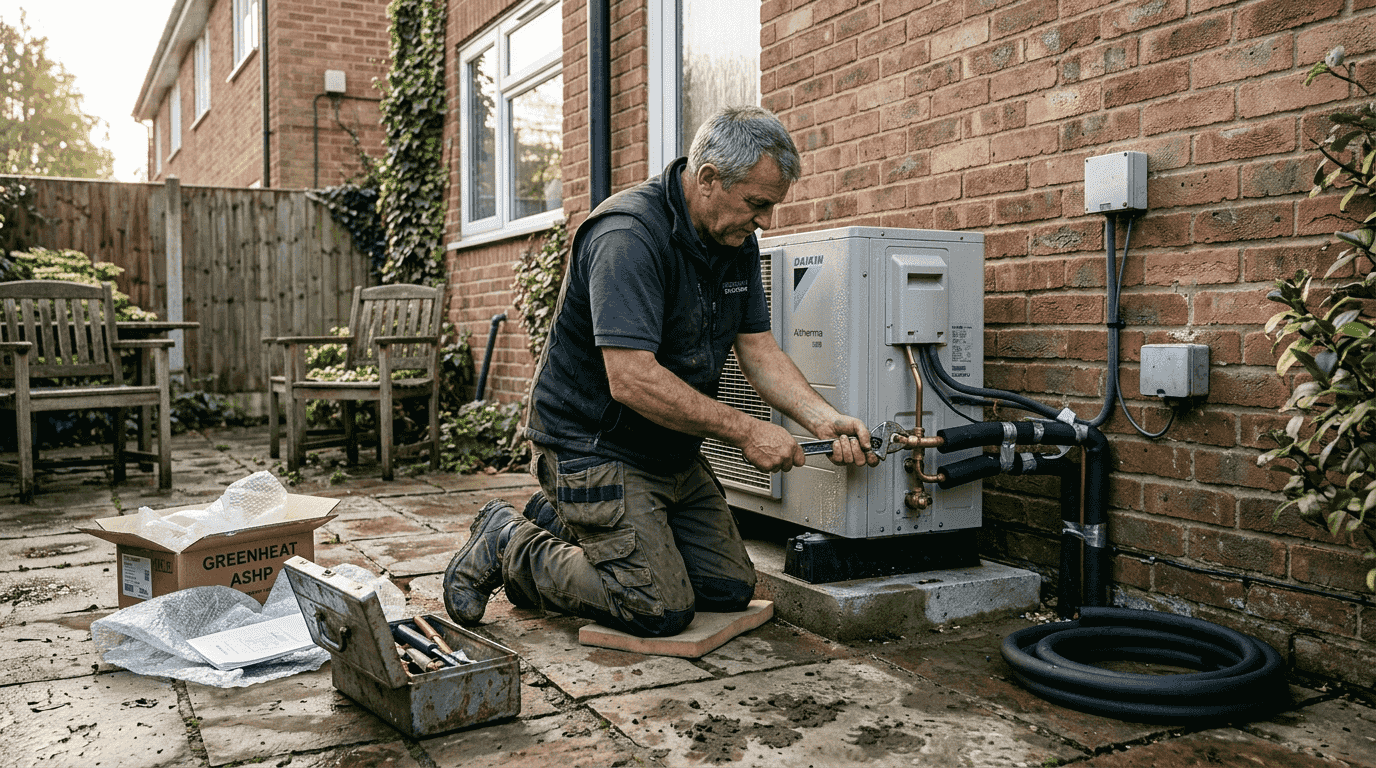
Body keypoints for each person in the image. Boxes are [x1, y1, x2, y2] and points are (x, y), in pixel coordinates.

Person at [443, 105, 879, 638]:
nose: (766, 221)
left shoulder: (733, 238)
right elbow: (631, 378)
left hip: (668, 452)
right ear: (709, 179)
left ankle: (565, 520)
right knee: (659, 609)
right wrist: (746, 429)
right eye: (758, 204)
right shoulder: (628, 235)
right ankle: (511, 542)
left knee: (726, 590)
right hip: (591, 447)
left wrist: (821, 418)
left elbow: (758, 348)